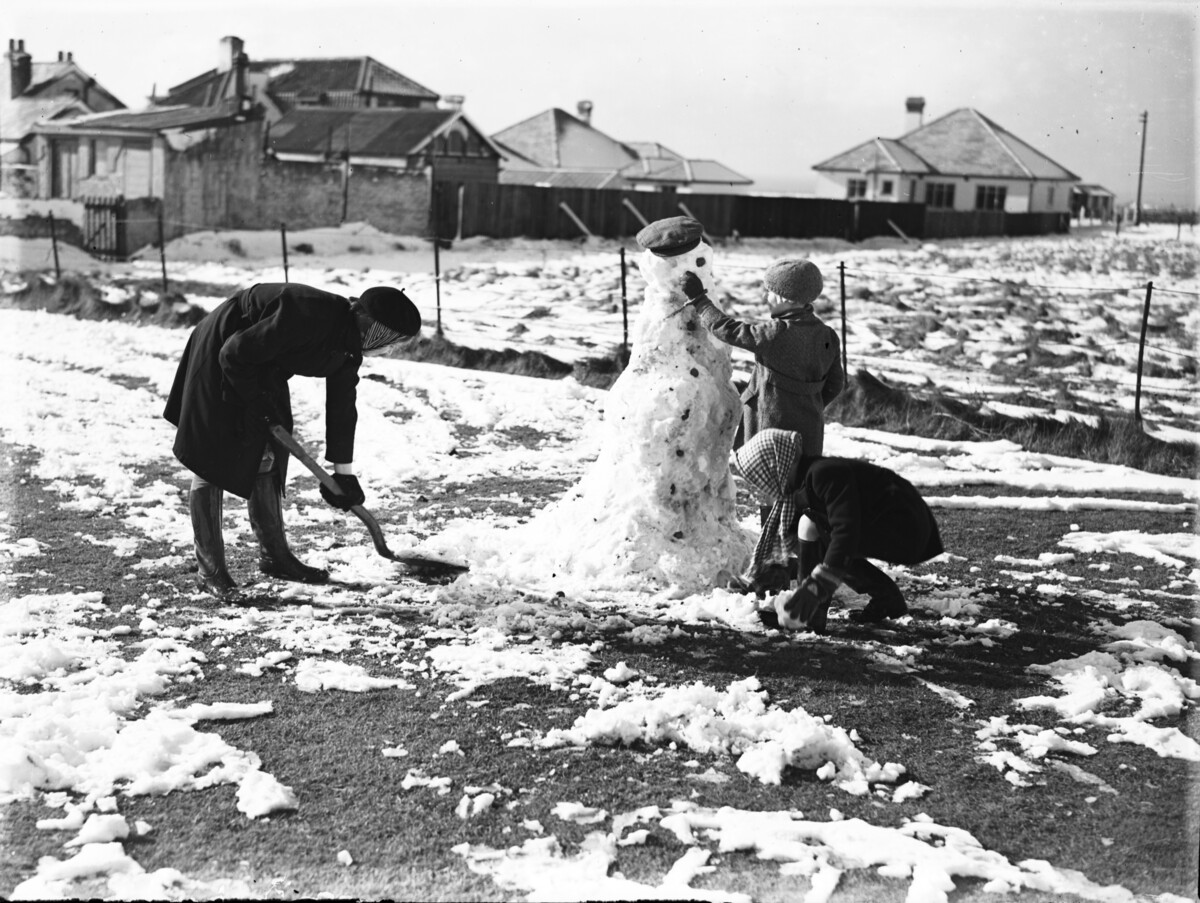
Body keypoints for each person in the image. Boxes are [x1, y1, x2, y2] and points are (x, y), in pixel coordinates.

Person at [163, 282, 421, 597]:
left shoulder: (349, 345)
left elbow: (342, 407)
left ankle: (275, 558)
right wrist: (256, 401)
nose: (390, 348)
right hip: (222, 351)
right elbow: (233, 352)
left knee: (270, 449)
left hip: (261, 364)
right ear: (375, 327)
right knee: (211, 458)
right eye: (392, 340)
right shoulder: (305, 312)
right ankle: (211, 572)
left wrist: (343, 474)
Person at [730, 429, 943, 634]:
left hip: (908, 529)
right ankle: (883, 600)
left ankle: (811, 615)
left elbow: (846, 530)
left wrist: (817, 586)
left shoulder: (823, 474)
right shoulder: (809, 479)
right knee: (811, 527)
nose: (764, 486)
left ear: (774, 465)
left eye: (761, 478)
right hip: (898, 525)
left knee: (822, 534)